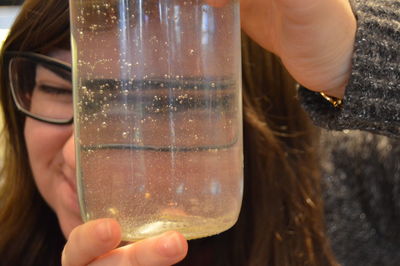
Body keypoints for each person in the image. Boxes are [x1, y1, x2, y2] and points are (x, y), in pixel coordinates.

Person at [0, 0, 398, 266]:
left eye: (169, 104)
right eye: (55, 89)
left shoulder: (360, 183)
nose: (75, 156)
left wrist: (352, 58)